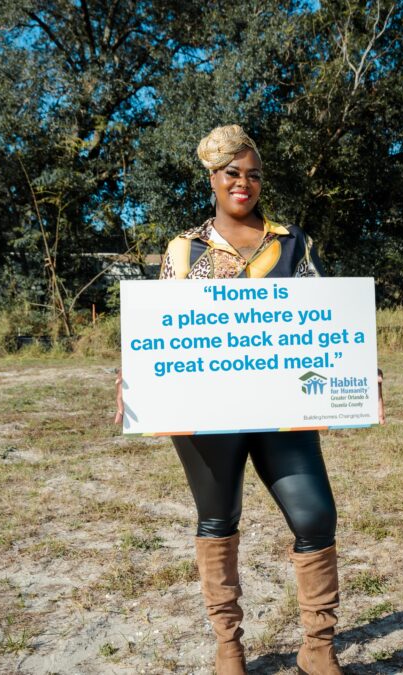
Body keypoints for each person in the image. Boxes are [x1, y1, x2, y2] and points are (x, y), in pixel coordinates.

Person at [115, 124, 384, 675]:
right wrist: (135, 380)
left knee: (315, 517)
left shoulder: (292, 243)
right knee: (218, 517)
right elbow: (160, 329)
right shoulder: (184, 249)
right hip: (205, 408)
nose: (244, 183)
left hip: (283, 409)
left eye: (253, 175)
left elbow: (326, 320)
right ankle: (229, 649)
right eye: (232, 173)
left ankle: (318, 649)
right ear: (212, 179)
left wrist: (360, 367)